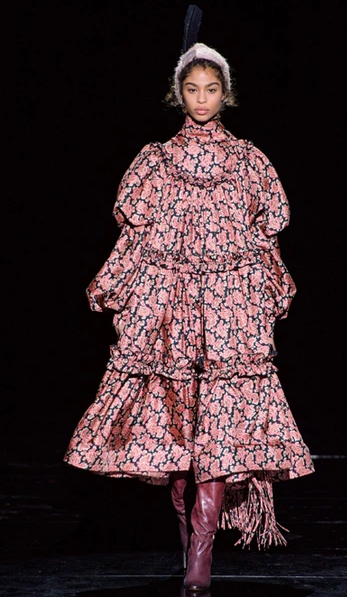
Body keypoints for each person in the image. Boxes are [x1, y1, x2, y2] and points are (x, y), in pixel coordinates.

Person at [63, 40, 315, 593]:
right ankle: (187, 540)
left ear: (227, 94)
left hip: (229, 307)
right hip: (169, 307)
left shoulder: (248, 161)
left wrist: (271, 287)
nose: (202, 99)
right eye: (192, 89)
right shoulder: (153, 162)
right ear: (178, 94)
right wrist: (115, 285)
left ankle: (201, 556)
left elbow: (265, 235)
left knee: (220, 432)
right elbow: (135, 235)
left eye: (212, 89)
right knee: (178, 433)